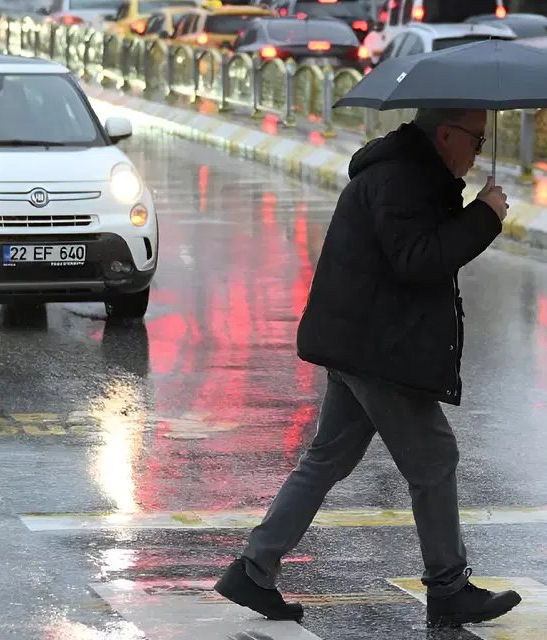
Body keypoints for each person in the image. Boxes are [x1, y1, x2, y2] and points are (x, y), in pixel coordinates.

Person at [213, 108, 520, 628]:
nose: (477, 150)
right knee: (434, 457)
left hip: (359, 339)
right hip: (378, 347)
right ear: (445, 134)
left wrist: (465, 208)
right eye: (475, 138)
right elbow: (418, 259)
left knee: (328, 457)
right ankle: (448, 587)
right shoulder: (401, 179)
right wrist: (485, 214)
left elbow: (416, 251)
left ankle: (254, 568)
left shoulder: (412, 173)